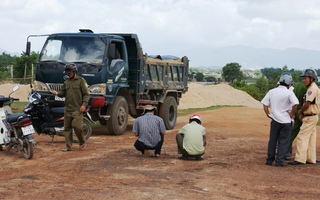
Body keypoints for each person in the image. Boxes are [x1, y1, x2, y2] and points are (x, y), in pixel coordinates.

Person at [261, 73, 299, 167]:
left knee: (272, 140)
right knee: (284, 141)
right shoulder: (289, 93)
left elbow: (265, 104)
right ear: (289, 83)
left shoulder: (272, 91)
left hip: (275, 120)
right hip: (286, 121)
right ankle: (279, 161)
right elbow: (295, 103)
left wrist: (268, 114)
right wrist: (292, 114)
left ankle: (269, 160)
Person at [51, 63, 89, 152]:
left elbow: (86, 94)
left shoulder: (81, 81)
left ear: (74, 71)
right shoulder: (66, 82)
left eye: (70, 72)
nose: (68, 74)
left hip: (77, 109)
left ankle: (82, 141)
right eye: (67, 72)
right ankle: (68, 146)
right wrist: (56, 93)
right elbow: (62, 93)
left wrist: (84, 105)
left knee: (77, 127)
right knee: (67, 128)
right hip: (68, 108)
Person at [289, 69, 320, 165]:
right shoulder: (315, 87)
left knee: (302, 136)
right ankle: (311, 158)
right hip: (314, 116)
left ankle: (300, 159)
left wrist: (301, 112)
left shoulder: (311, 89)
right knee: (311, 138)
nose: (304, 80)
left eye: (305, 78)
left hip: (309, 116)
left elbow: (307, 103)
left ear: (311, 78)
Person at [286, 82, 307, 158]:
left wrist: (293, 112)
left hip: (296, 110)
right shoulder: (306, 87)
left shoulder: (296, 86)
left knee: (293, 132)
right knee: (306, 133)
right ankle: (305, 154)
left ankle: (285, 149)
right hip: (302, 112)